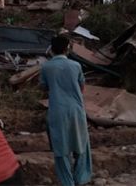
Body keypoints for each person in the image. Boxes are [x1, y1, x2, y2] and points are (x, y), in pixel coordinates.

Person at [40, 36, 92, 186]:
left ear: (52, 49)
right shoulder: (76, 66)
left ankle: (67, 182)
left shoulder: (46, 67)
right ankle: (80, 179)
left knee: (60, 148)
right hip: (76, 109)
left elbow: (44, 87)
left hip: (57, 110)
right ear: (67, 48)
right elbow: (81, 87)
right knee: (81, 145)